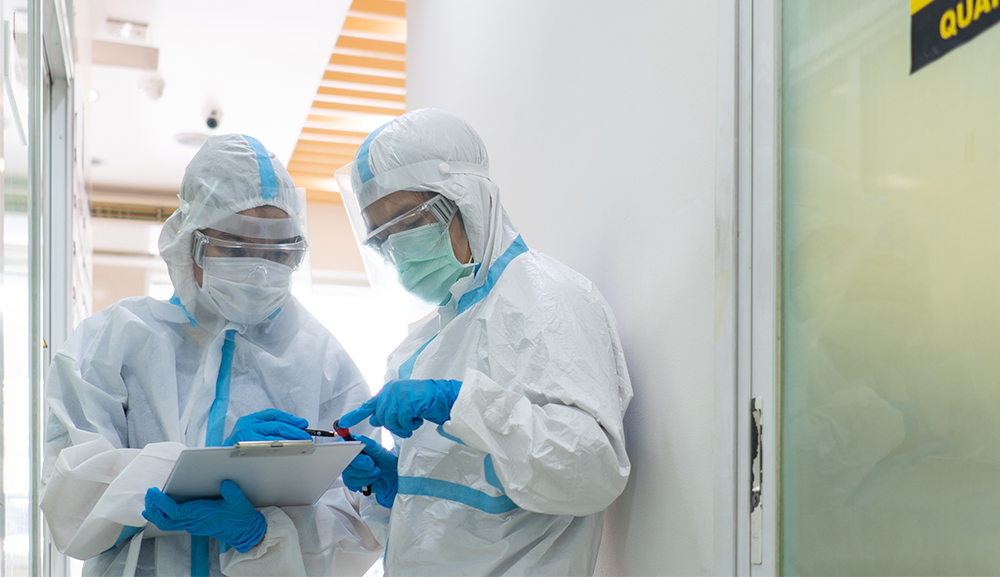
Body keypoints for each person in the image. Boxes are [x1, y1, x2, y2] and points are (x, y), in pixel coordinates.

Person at [41, 134, 385, 576]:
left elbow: (359, 524)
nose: (260, 270)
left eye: (278, 252)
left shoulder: (322, 360)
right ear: (189, 242)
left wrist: (263, 536)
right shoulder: (112, 343)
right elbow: (71, 507)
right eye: (236, 249)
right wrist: (198, 469)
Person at [334, 109, 633, 576]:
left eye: (406, 221)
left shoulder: (549, 300)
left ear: (465, 199)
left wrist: (463, 403)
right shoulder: (422, 346)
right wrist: (399, 484)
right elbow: (457, 512)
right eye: (381, 235)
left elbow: (591, 471)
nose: (396, 248)